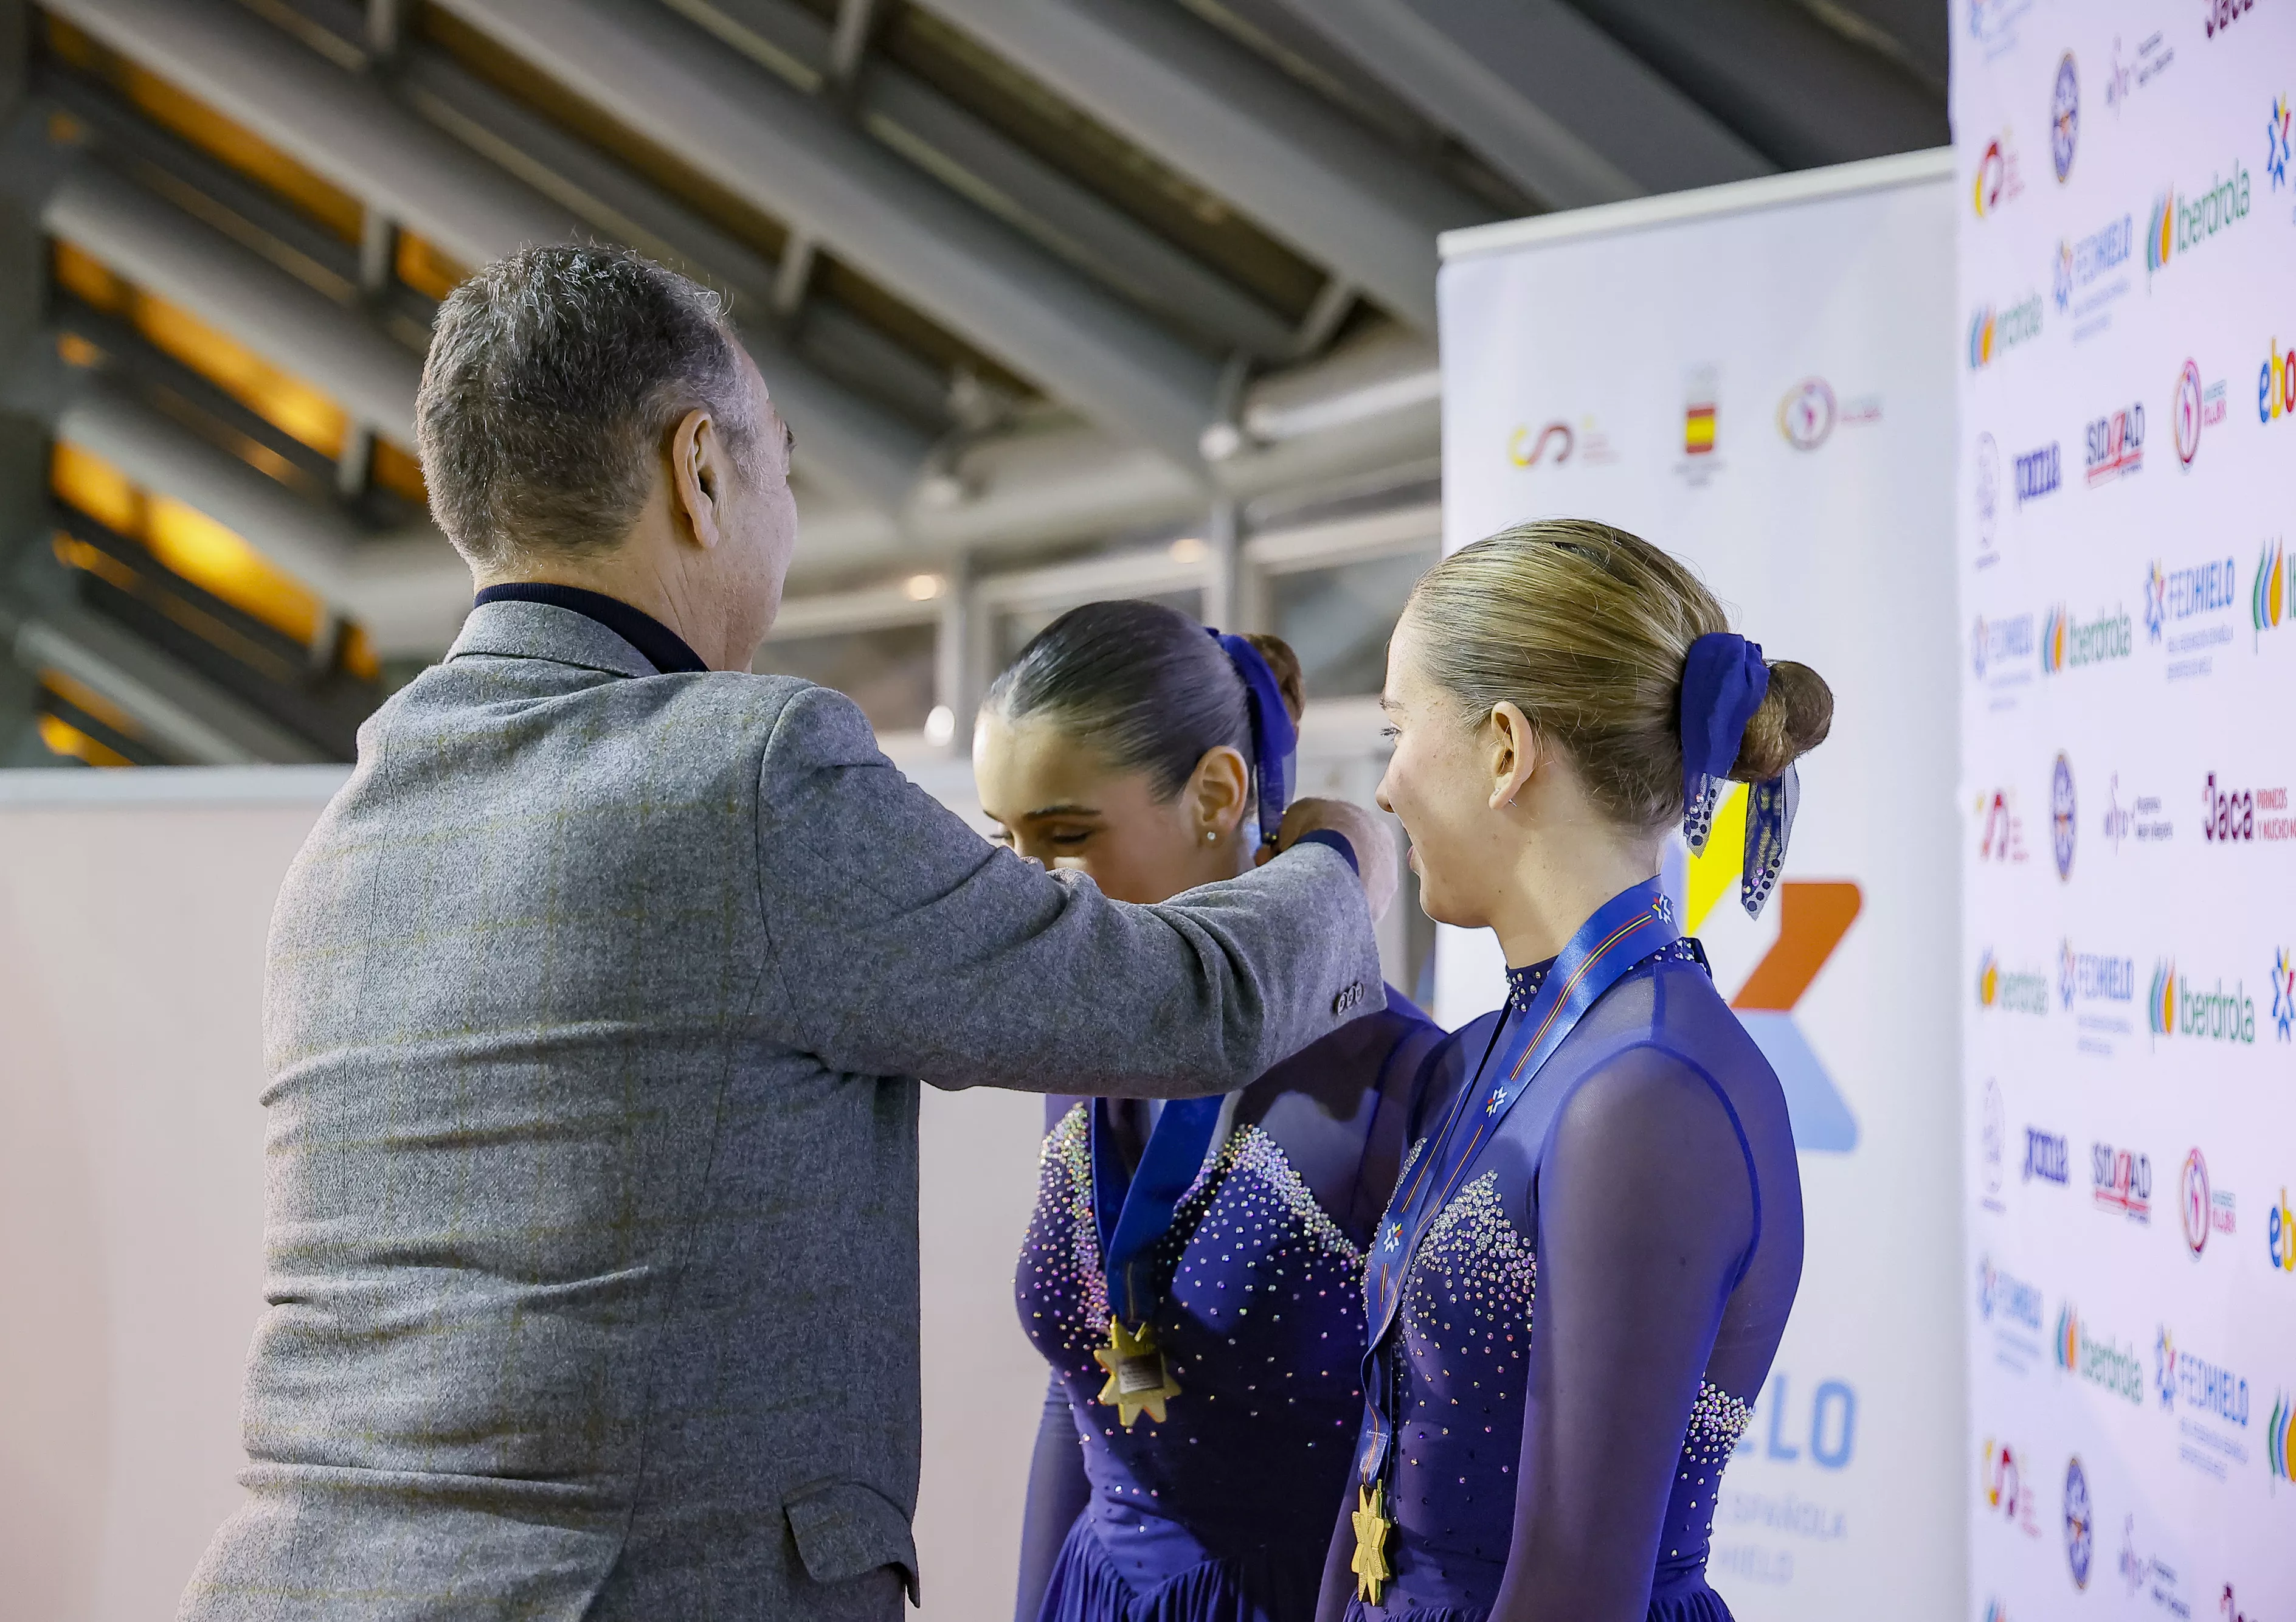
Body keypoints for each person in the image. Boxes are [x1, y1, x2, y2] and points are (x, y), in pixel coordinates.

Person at [178, 244, 1400, 1622]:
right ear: (698, 471)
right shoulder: (751, 773)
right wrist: (1343, 850)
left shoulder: (352, 832)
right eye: (781, 466)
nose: (789, 513)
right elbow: (1192, 1004)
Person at [1315, 521, 1829, 1622]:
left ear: (1506, 748)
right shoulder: (1487, 1053)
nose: (1390, 786)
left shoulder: (1644, 1093)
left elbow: (1574, 1592)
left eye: (1403, 728)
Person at [975, 601, 1445, 1622]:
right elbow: (1082, 1400)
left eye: (1063, 835)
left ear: (1216, 797)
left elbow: (1434, 1480)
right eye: (1001, 840)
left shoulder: (1396, 1082)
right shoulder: (1084, 1050)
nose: (1024, 888)